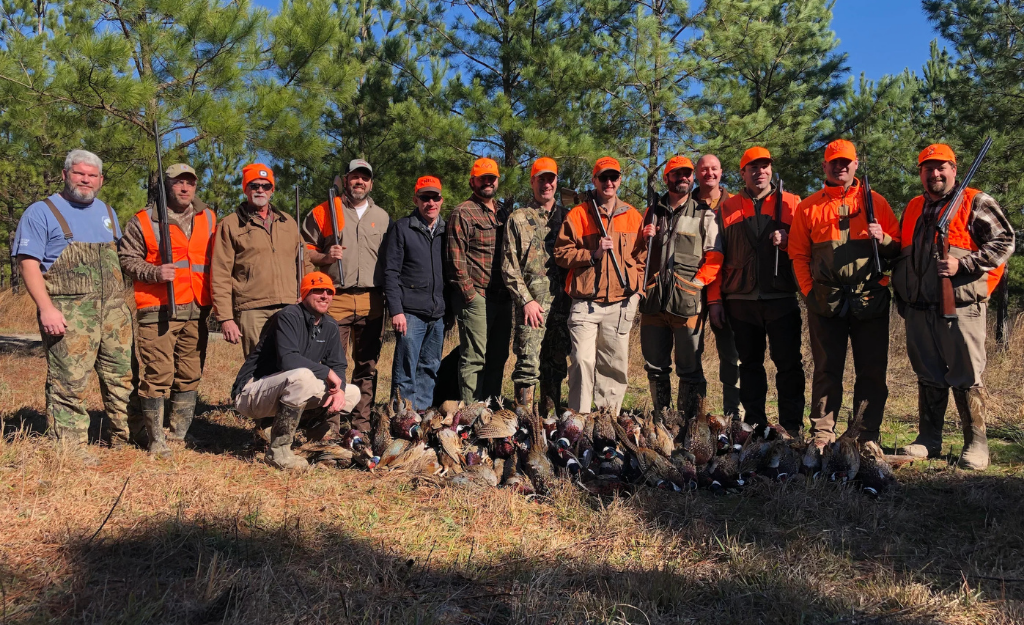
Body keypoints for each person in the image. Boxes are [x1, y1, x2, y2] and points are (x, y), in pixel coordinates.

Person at [892, 144, 1014, 470]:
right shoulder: (915, 205)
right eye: (927, 168)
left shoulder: (975, 200)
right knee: (928, 374)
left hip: (961, 307)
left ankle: (976, 444)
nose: (935, 174)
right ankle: (928, 440)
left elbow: (1005, 241)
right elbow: (905, 254)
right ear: (920, 173)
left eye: (941, 167)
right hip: (919, 307)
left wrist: (966, 264)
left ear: (954, 169)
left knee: (966, 376)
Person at [12, 149, 133, 446]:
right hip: (69, 312)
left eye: (92, 176)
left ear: (101, 180)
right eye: (80, 173)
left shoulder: (107, 212)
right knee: (70, 380)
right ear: (65, 174)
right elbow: (28, 264)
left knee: (122, 376)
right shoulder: (41, 211)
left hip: (113, 311)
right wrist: (46, 309)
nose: (86, 180)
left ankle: (122, 437)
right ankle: (70, 446)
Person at [788, 140, 901, 449]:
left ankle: (865, 434)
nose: (840, 166)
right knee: (826, 370)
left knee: (872, 370)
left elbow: (899, 248)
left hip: (870, 299)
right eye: (834, 162)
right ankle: (823, 433)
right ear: (824, 166)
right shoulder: (809, 206)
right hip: (826, 301)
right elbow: (798, 254)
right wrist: (810, 292)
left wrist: (885, 238)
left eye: (846, 161)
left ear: (856, 164)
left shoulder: (875, 202)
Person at [118, 163, 216, 456]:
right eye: (177, 183)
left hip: (197, 307)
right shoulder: (144, 220)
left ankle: (178, 435)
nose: (185, 188)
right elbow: (126, 258)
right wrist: (154, 272)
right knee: (157, 373)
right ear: (166, 186)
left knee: (189, 373)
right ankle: (155, 440)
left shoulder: (209, 218)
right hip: (157, 308)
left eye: (190, 183)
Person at [706, 147, 805, 435]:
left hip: (781, 296)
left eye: (764, 166)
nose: (760, 171)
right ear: (743, 173)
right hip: (740, 298)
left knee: (788, 364)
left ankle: (791, 425)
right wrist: (715, 300)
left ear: (771, 170)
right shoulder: (726, 207)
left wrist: (787, 240)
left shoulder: (792, 203)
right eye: (753, 167)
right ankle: (755, 423)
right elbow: (714, 256)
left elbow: (805, 249)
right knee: (749, 364)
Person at [231, 272, 361, 471]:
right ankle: (278, 451)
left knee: (352, 393)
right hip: (251, 393)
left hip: (283, 391)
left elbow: (339, 365)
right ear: (305, 293)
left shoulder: (330, 325)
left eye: (329, 292)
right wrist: (327, 372)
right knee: (302, 376)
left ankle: (315, 442)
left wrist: (340, 388)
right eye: (318, 291)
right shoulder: (288, 316)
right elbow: (288, 359)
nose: (325, 296)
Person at [302, 159, 389, 434]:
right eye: (354, 177)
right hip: (335, 297)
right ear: (346, 179)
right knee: (331, 365)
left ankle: (360, 427)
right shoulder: (324, 211)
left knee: (367, 366)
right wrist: (325, 257)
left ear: (371, 183)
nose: (359, 182)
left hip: (371, 300)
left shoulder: (383, 217)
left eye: (365, 178)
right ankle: (330, 427)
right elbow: (303, 250)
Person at [554, 156, 646, 415]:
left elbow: (642, 258)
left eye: (613, 177)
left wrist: (636, 293)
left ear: (619, 180)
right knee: (582, 360)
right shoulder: (579, 213)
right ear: (594, 180)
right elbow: (561, 254)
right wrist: (592, 253)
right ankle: (579, 420)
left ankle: (608, 423)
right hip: (586, 302)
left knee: (614, 366)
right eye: (603, 177)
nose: (608, 182)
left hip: (620, 302)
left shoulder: (632, 215)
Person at [639, 156, 723, 419]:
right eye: (677, 174)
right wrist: (643, 239)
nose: (683, 178)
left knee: (690, 369)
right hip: (653, 303)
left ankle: (690, 422)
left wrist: (694, 285)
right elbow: (637, 255)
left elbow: (715, 256)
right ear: (667, 178)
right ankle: (663, 419)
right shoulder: (652, 211)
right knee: (655, 367)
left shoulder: (703, 213)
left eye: (687, 173)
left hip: (687, 304)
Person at [210, 164, 304, 357]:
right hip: (252, 309)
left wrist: (306, 295)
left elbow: (304, 263)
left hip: (290, 305)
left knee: (292, 364)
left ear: (272, 190)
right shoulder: (230, 224)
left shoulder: (288, 222)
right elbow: (220, 273)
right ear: (245, 189)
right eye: (254, 185)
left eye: (266, 186)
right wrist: (226, 318)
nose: (260, 190)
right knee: (258, 368)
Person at [501, 157, 572, 412]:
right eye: (541, 179)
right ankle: (524, 425)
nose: (546, 184)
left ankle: (550, 423)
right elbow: (509, 268)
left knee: (555, 366)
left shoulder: (569, 217)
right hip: (532, 307)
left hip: (563, 306)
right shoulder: (518, 218)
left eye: (550, 178)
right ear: (532, 181)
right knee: (527, 366)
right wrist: (527, 301)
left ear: (556, 182)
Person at [445, 157, 513, 403]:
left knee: (498, 357)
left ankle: (492, 411)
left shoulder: (504, 212)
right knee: (475, 358)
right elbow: (455, 260)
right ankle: (471, 414)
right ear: (472, 181)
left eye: (492, 178)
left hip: (503, 298)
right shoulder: (463, 212)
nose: (488, 182)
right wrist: (470, 295)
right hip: (478, 297)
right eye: (482, 178)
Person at [384, 176, 447, 409]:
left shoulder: (446, 229)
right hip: (409, 313)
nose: (430, 202)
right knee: (406, 369)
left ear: (441, 200)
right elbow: (390, 273)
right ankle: (401, 418)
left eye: (435, 197)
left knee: (429, 368)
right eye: (425, 197)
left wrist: (447, 311)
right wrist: (396, 311)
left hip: (437, 314)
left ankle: (421, 418)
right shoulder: (403, 228)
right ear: (416, 200)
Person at [695, 154, 742, 421]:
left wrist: (717, 299)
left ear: (721, 172)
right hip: (690, 288)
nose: (709, 173)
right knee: (690, 355)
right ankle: (695, 413)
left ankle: (733, 415)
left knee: (731, 355)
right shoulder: (685, 204)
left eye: (714, 169)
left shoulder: (734, 205)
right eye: (704, 169)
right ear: (696, 174)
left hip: (727, 290)